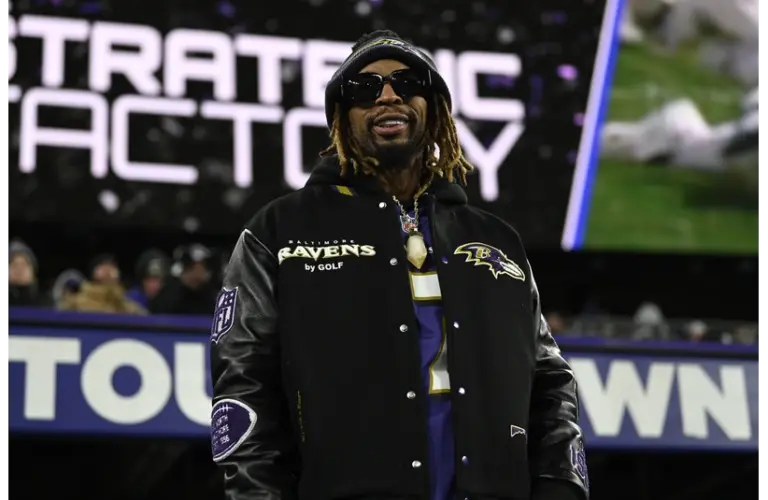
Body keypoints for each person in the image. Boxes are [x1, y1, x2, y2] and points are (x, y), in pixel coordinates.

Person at [210, 30, 589, 500]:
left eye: (408, 83)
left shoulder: (497, 241)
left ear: (435, 109)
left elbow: (550, 381)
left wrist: (561, 486)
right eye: (364, 88)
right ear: (341, 117)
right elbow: (243, 384)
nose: (388, 96)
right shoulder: (279, 230)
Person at [149, 244, 218, 315]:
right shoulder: (169, 294)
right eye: (191, 267)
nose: (197, 272)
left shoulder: (211, 296)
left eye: (201, 267)